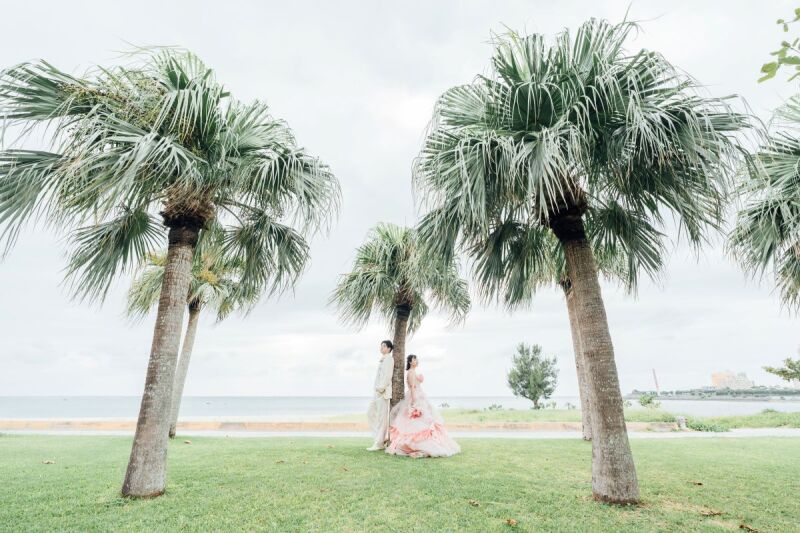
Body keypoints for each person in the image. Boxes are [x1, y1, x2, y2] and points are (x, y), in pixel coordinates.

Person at [385, 354, 460, 458]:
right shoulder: (411, 372)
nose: (417, 361)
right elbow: (412, 387)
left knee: (425, 420)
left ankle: (424, 444)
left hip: (419, 395)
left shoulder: (413, 372)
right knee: (415, 421)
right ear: (410, 362)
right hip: (415, 396)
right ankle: (415, 445)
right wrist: (414, 401)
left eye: (417, 359)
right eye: (415, 360)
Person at [366, 340, 394, 451]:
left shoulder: (389, 359)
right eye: (381, 346)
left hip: (383, 392)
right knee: (370, 413)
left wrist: (381, 389)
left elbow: (388, 376)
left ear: (389, 348)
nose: (381, 348)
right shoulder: (383, 359)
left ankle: (379, 443)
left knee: (382, 418)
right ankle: (379, 438)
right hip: (377, 392)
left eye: (383, 346)